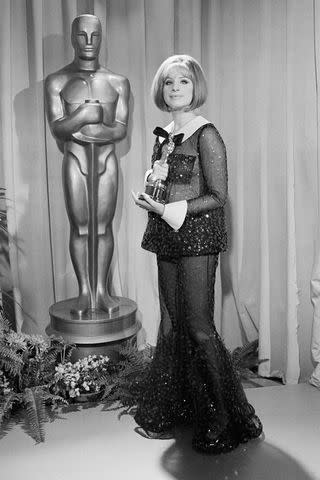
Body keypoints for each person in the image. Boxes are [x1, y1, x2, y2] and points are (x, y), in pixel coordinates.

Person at [132, 54, 262, 454]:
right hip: (166, 237)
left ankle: (222, 419)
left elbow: (218, 196)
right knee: (171, 323)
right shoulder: (164, 135)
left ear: (195, 87)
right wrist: (151, 197)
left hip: (198, 239)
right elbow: (166, 186)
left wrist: (170, 208)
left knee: (199, 325)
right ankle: (179, 409)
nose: (175, 90)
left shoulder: (206, 134)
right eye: (169, 83)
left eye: (183, 82)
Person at [45, 14, 130, 316]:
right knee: (80, 227)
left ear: (102, 37)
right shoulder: (57, 81)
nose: (89, 42)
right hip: (76, 159)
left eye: (95, 36)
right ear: (72, 37)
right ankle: (84, 292)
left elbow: (120, 129)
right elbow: (58, 128)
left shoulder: (118, 82)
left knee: (104, 227)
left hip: (106, 160)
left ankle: (103, 291)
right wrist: (82, 117)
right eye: (82, 35)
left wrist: (86, 128)